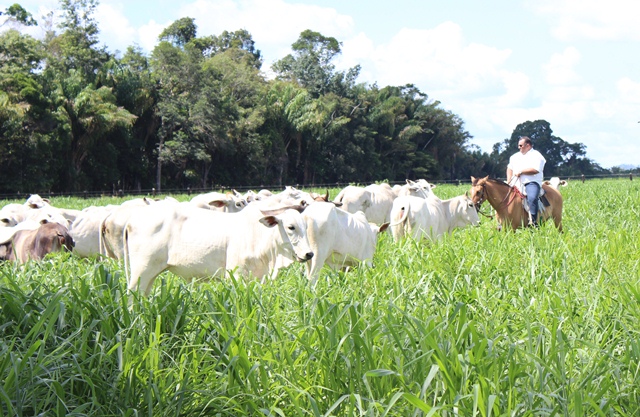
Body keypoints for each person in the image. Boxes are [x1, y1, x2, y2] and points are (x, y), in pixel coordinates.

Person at [506, 136, 546, 226]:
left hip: (531, 182)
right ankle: (502, 221)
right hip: (515, 183)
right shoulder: (514, 157)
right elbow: (509, 168)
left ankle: (533, 222)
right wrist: (508, 180)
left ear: (528, 145)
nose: (519, 147)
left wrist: (521, 171)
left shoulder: (537, 156)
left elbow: (536, 170)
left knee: (531, 198)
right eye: (518, 146)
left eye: (521, 146)